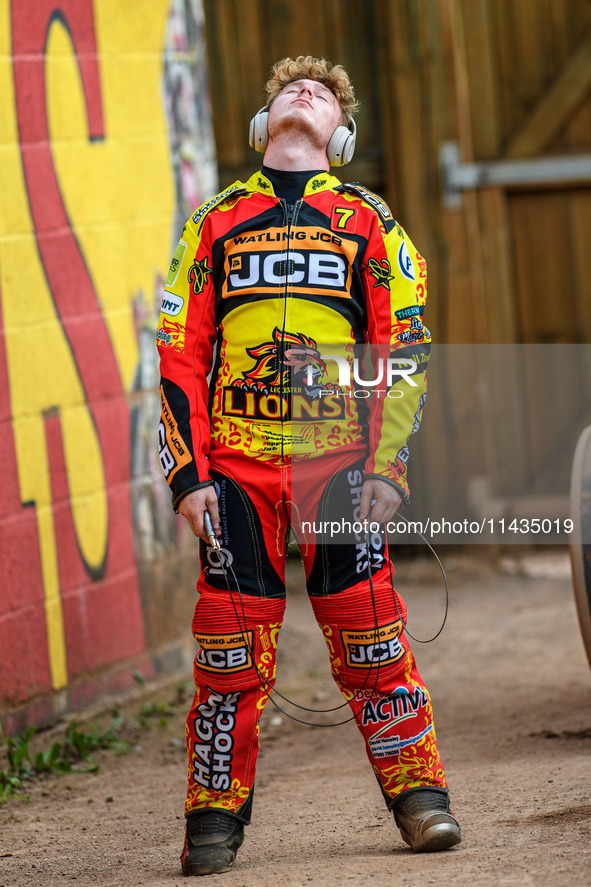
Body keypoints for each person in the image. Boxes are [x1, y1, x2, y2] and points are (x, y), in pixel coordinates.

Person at [157, 55, 461, 876]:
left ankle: (421, 800)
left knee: (369, 634)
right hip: (235, 474)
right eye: (290, 89)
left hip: (339, 468)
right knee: (227, 650)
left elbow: (403, 346)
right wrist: (187, 475)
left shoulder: (368, 221)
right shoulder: (213, 220)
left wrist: (388, 466)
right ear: (263, 124)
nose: (304, 95)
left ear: (342, 132)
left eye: (323, 94)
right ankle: (213, 823)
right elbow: (180, 354)